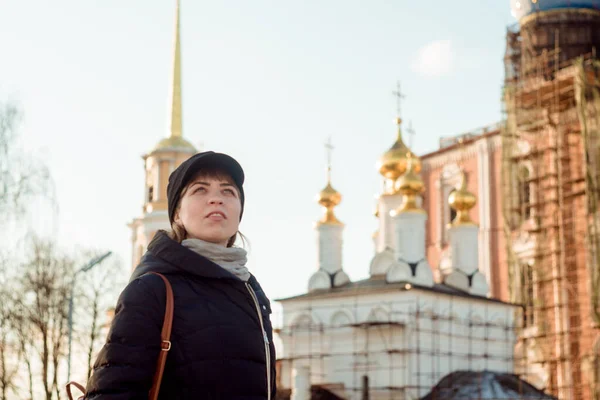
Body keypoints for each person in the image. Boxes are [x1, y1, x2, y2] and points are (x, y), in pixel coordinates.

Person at [85, 151, 276, 399]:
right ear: (177, 213)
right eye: (200, 190)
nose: (216, 199)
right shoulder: (152, 290)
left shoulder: (252, 291)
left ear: (239, 211)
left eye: (228, 191)